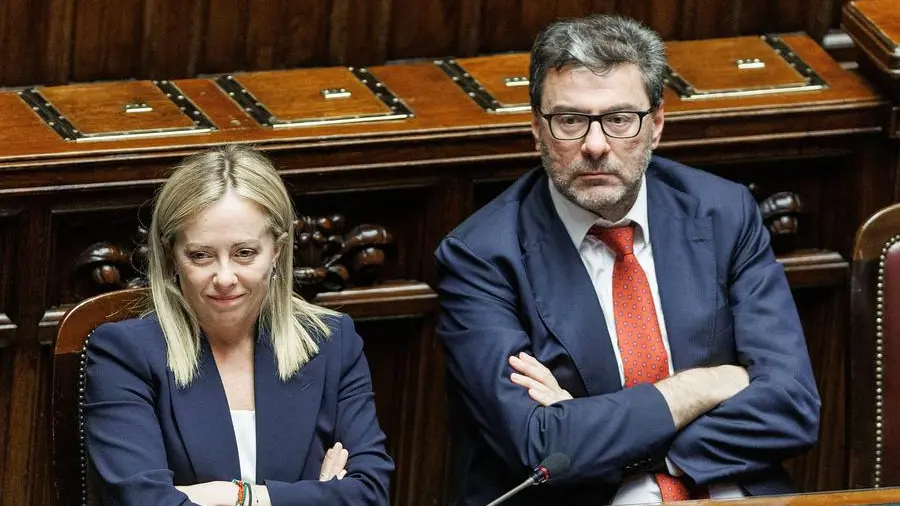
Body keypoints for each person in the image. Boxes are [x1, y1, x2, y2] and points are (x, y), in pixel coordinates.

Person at [435, 14, 820, 506]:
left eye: (619, 119)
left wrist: (600, 434)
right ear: (536, 129)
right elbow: (543, 448)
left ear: (655, 125)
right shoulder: (482, 256)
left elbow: (792, 407)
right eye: (570, 121)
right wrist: (700, 388)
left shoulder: (723, 213)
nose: (595, 145)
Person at [85, 145, 393, 506]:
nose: (225, 277)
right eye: (201, 255)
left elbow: (369, 494)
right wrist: (318, 494)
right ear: (172, 257)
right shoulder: (125, 355)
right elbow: (146, 502)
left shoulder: (331, 342)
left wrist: (234, 495)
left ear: (277, 250)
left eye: (244, 253)